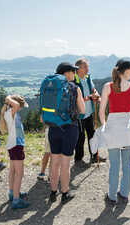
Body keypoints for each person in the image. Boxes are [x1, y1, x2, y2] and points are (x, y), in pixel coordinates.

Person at [90, 59, 130, 204]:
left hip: (113, 127)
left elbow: (102, 111)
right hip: (127, 127)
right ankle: (124, 194)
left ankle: (112, 196)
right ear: (125, 70)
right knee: (127, 164)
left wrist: (104, 126)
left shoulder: (108, 86)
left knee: (114, 165)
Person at [46, 62, 85, 204]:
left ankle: (52, 192)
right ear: (66, 73)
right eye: (73, 71)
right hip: (69, 128)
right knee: (65, 163)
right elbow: (83, 110)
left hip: (54, 128)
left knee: (54, 161)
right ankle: (65, 193)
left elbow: (43, 114)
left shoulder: (50, 88)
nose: (74, 74)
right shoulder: (75, 89)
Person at [73, 58, 105, 165]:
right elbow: (76, 98)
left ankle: (95, 156)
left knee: (92, 135)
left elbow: (93, 89)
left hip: (89, 112)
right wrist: (90, 97)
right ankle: (78, 159)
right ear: (79, 69)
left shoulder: (87, 77)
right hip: (79, 114)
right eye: (85, 67)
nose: (88, 69)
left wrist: (97, 96)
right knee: (80, 137)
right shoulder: (74, 80)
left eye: (87, 66)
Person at [0, 95, 29, 209]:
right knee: (19, 173)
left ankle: (12, 193)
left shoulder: (7, 113)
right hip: (17, 145)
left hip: (12, 145)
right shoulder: (12, 111)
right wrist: (8, 98)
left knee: (12, 171)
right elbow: (15, 105)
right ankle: (16, 200)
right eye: (20, 106)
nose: (20, 108)